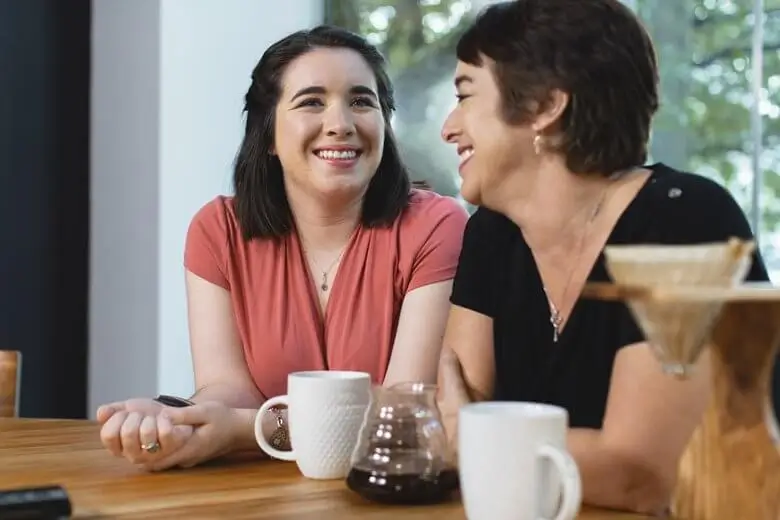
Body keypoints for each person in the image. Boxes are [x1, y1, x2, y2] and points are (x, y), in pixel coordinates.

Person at [434, 0, 774, 515]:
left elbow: (641, 474)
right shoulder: (492, 234)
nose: (448, 127)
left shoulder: (685, 222)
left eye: (464, 95)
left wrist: (475, 439)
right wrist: (473, 436)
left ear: (545, 106)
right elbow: (450, 412)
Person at [96, 25, 468, 471]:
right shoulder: (218, 231)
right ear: (269, 133)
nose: (341, 125)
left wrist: (243, 431)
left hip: (384, 492)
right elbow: (228, 390)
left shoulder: (437, 226)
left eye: (361, 101)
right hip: (262, 495)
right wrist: (178, 421)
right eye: (312, 102)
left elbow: (402, 413)